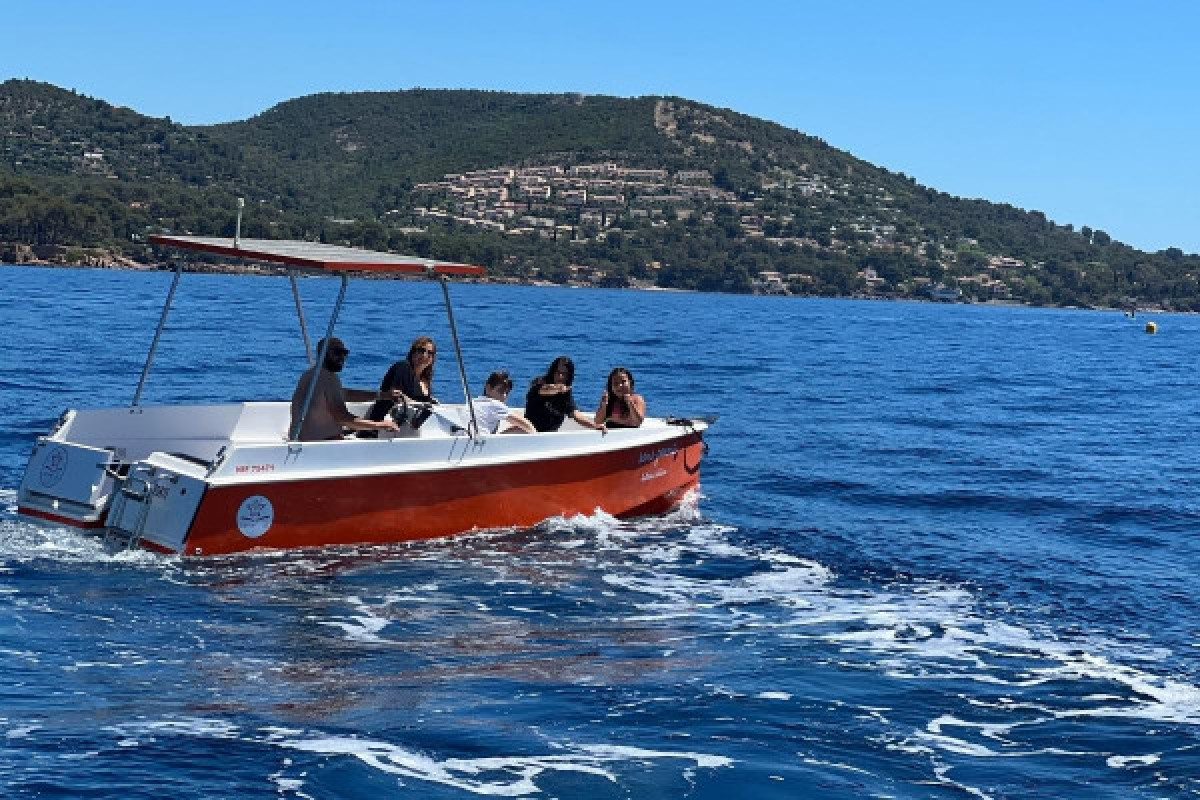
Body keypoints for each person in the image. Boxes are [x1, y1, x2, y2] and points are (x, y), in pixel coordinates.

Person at [289, 337, 399, 441]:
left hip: (300, 440)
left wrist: (384, 395)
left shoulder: (309, 375)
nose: (342, 357)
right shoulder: (329, 378)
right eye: (337, 353)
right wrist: (380, 425)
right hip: (321, 445)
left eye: (344, 353)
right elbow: (343, 418)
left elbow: (345, 394)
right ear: (323, 353)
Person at [364, 336, 438, 426]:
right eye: (421, 351)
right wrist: (419, 404)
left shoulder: (425, 381)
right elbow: (396, 396)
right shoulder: (403, 367)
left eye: (430, 353)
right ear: (413, 353)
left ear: (433, 359)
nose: (424, 355)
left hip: (408, 427)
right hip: (384, 425)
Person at [524, 356, 606, 433]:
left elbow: (576, 415)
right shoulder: (539, 383)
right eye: (558, 372)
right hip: (528, 431)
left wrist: (595, 426)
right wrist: (558, 388)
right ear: (552, 372)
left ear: (568, 376)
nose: (560, 376)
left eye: (564, 374)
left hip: (548, 436)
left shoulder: (565, 394)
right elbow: (545, 390)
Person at [471, 371, 535, 434]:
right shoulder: (493, 404)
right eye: (501, 391)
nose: (504, 396)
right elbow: (528, 426)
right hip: (480, 442)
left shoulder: (472, 402)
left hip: (464, 439)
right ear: (488, 388)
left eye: (507, 393)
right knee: (521, 429)